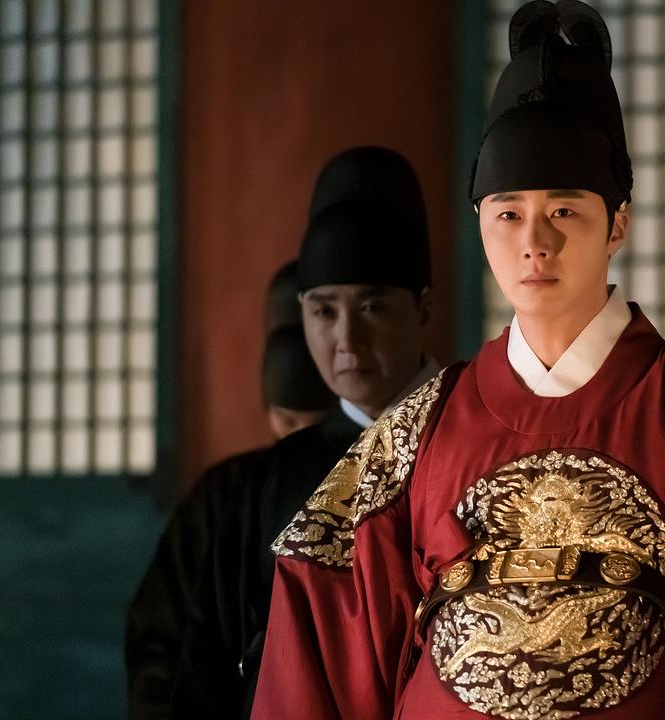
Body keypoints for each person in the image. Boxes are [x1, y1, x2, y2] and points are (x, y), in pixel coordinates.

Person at [252, 3, 665, 719]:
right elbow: (320, 619)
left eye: (565, 212)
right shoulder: (416, 433)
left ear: (617, 225)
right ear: (481, 225)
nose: (534, 243)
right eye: (508, 214)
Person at [166, 145, 440, 718]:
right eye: (323, 311)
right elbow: (210, 662)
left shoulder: (473, 439)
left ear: (422, 309)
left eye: (373, 308)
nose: (347, 340)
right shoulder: (274, 477)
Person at [126, 261, 333, 720]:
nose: (298, 441)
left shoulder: (384, 480)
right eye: (288, 421)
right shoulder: (225, 494)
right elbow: (159, 639)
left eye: (316, 424)